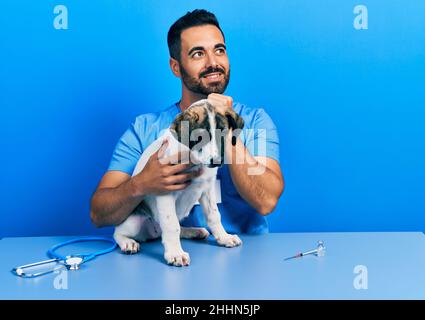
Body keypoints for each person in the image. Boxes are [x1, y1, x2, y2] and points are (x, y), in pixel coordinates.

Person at [90, 9, 284, 234]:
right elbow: (99, 214)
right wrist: (140, 184)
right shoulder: (145, 129)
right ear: (176, 67)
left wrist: (224, 126)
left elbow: (266, 201)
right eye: (198, 54)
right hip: (170, 255)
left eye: (219, 50)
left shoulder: (253, 122)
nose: (213, 63)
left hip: (244, 253)